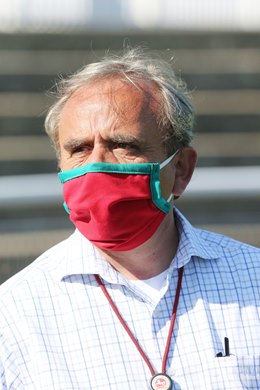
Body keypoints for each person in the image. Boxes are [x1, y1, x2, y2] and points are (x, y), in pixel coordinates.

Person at [0, 47, 259, 390]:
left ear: (180, 169)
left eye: (124, 145)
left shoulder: (253, 279)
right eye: (78, 149)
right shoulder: (14, 315)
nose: (96, 164)